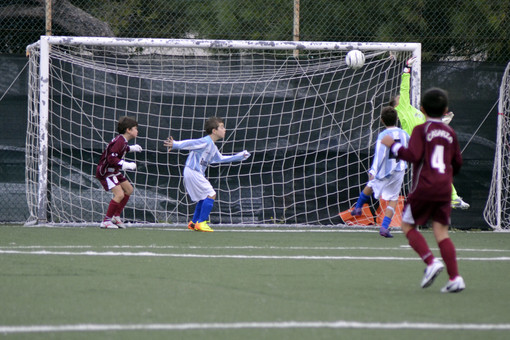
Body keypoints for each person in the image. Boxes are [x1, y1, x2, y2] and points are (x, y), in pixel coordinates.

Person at [381, 87, 465, 293]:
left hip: (424, 187)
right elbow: (458, 163)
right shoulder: (450, 132)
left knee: (408, 226)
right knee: (442, 233)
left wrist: (393, 146)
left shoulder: (421, 130)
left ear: (421, 109)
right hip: (444, 189)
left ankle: (431, 262)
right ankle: (455, 278)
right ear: (445, 110)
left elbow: (413, 155)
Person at [390, 57, 469, 210]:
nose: (400, 97)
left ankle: (452, 198)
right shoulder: (402, 109)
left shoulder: (416, 112)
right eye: (397, 98)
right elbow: (404, 89)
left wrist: (442, 120)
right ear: (396, 106)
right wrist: (406, 69)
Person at [164, 117, 250, 232]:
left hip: (193, 172)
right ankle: (201, 222)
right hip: (192, 171)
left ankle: (194, 223)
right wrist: (175, 144)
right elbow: (191, 143)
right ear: (214, 131)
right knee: (211, 194)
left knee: (203, 197)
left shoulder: (212, 146)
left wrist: (239, 156)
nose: (225, 129)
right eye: (222, 127)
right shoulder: (205, 141)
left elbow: (220, 159)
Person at [351, 106, 409, 238]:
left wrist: (373, 171)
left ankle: (358, 207)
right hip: (399, 170)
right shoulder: (404, 134)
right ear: (397, 119)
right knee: (393, 199)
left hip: (385, 170)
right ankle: (384, 227)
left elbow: (380, 155)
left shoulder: (383, 136)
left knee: (370, 185)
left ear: (382, 120)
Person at [96, 116, 143, 229]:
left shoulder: (122, 140)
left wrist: (132, 148)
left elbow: (122, 149)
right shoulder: (120, 141)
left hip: (114, 171)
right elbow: (111, 158)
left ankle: (116, 216)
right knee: (119, 194)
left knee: (129, 189)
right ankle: (106, 221)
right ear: (128, 130)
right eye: (135, 128)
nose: (137, 131)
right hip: (106, 172)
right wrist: (126, 164)